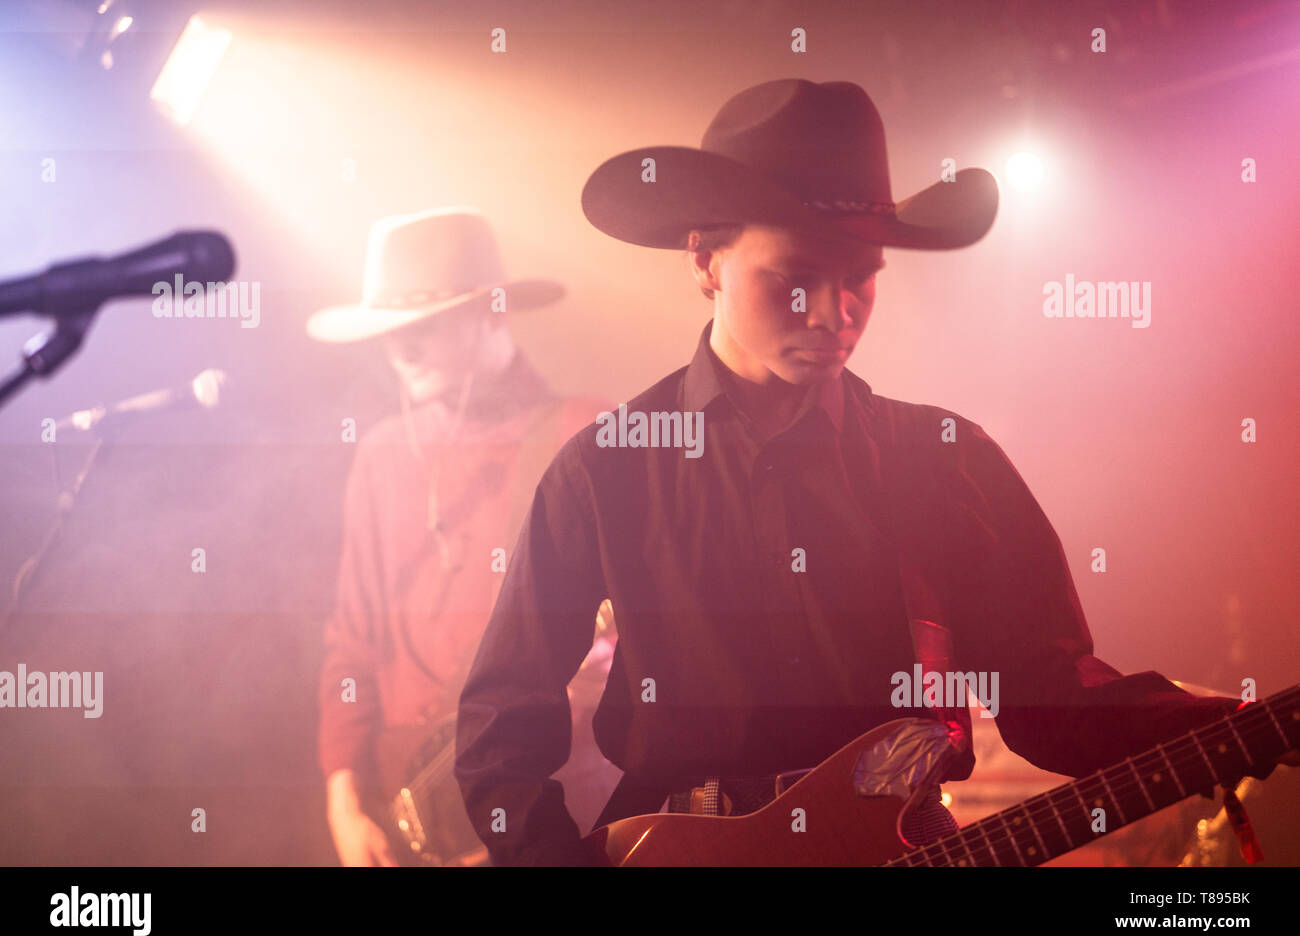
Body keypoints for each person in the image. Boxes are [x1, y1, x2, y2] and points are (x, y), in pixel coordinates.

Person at [453, 80, 1293, 866]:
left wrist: (1239, 728)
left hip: (910, 840)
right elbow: (500, 724)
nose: (835, 313)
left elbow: (1048, 701)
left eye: (861, 278)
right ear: (703, 258)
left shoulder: (944, 458)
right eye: (795, 280)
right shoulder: (607, 466)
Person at [311, 207, 618, 866]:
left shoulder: (583, 434)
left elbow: (637, 650)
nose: (403, 348)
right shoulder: (381, 456)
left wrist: (516, 817)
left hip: (553, 818)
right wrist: (343, 798)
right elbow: (351, 643)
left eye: (426, 324)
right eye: (392, 331)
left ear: (495, 314)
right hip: (408, 831)